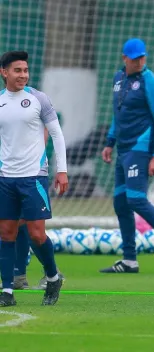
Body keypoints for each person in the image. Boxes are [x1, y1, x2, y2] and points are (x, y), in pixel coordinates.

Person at [100, 38, 154, 275]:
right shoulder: (117, 79)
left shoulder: (150, 81)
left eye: (142, 57)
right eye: (135, 57)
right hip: (123, 149)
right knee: (121, 202)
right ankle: (129, 260)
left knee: (136, 199)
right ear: (124, 59)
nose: (140, 61)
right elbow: (117, 115)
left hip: (141, 147)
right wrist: (110, 142)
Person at [0, 51, 68, 306]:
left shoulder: (38, 99)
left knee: (37, 234)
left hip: (34, 178)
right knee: (6, 233)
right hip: (5, 178)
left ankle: (52, 277)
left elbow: (57, 135)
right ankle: (7, 291)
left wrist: (61, 170)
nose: (23, 75)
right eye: (18, 70)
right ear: (4, 73)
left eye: (26, 70)